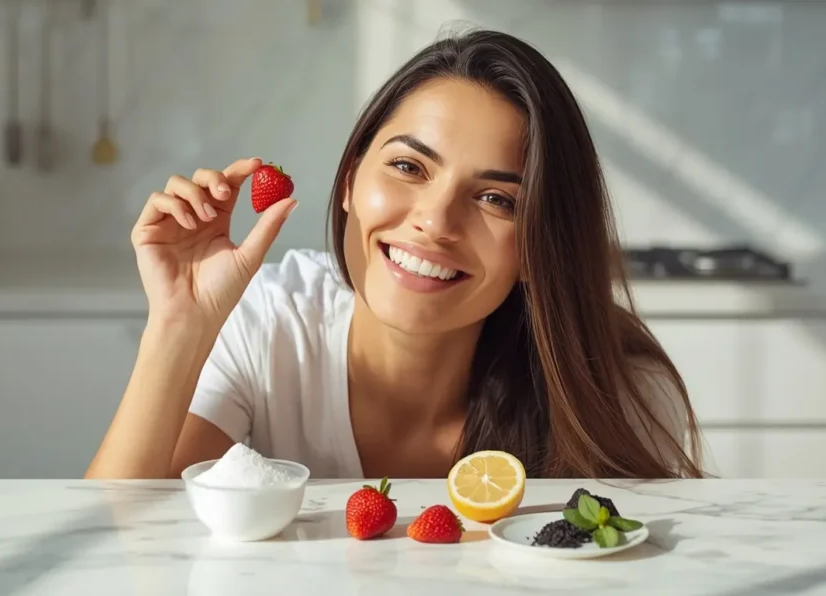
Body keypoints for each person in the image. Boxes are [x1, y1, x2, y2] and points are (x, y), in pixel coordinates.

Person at [86, 28, 704, 481]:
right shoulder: (271, 323)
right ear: (351, 179)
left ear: (543, 240)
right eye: (408, 166)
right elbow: (115, 541)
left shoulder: (618, 388)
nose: (434, 222)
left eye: (496, 198)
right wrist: (177, 326)